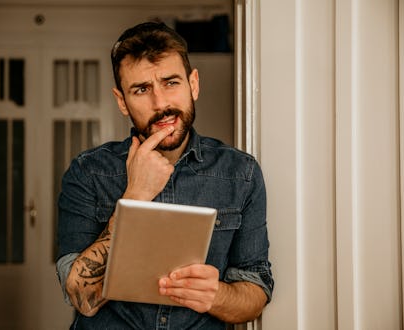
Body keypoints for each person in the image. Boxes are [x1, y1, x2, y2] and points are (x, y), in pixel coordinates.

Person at [56, 21, 273, 329]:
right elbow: (81, 296)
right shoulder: (87, 173)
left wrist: (217, 295)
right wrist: (134, 198)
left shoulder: (242, 174)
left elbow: (255, 290)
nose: (161, 104)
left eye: (171, 83)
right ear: (122, 101)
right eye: (142, 89)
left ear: (193, 84)